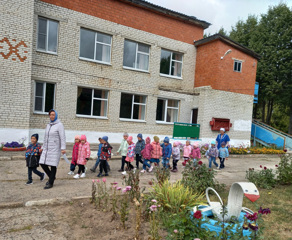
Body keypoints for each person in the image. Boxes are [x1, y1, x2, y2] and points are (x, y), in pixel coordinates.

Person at [39, 109, 66, 189]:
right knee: (42, 163)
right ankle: (52, 176)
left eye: (53, 115)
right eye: (50, 115)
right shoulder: (48, 125)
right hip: (47, 148)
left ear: (56, 115)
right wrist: (42, 147)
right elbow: (45, 138)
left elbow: (62, 137)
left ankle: (51, 182)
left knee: (53, 165)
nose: (52, 116)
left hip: (55, 148)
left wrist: (63, 148)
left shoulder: (59, 125)